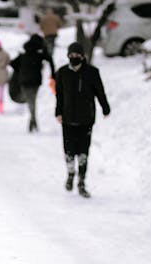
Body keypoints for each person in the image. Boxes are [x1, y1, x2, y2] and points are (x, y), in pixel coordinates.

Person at [54, 42, 110, 198]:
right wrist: (58, 112)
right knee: (69, 150)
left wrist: (105, 107)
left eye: (77, 55)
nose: (74, 58)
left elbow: (100, 91)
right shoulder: (62, 73)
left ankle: (82, 181)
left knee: (84, 151)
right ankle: (70, 174)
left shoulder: (92, 72)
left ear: (82, 56)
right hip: (67, 119)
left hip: (86, 119)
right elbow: (59, 95)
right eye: (71, 55)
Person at [11, 34, 55, 132]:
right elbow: (50, 59)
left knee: (31, 101)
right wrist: (53, 74)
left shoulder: (23, 55)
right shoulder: (39, 55)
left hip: (24, 80)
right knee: (32, 100)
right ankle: (33, 122)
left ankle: (33, 121)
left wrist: (21, 70)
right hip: (35, 81)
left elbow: (12, 63)